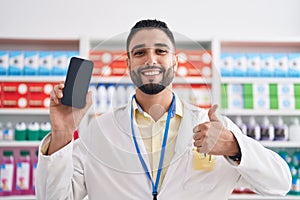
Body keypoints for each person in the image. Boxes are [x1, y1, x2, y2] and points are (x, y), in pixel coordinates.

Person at [36, 19, 291, 200]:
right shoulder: (98, 132)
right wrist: (61, 133)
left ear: (175, 61)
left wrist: (235, 147)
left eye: (161, 51)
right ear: (128, 63)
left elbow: (280, 184)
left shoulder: (214, 128)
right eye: (139, 53)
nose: (150, 59)